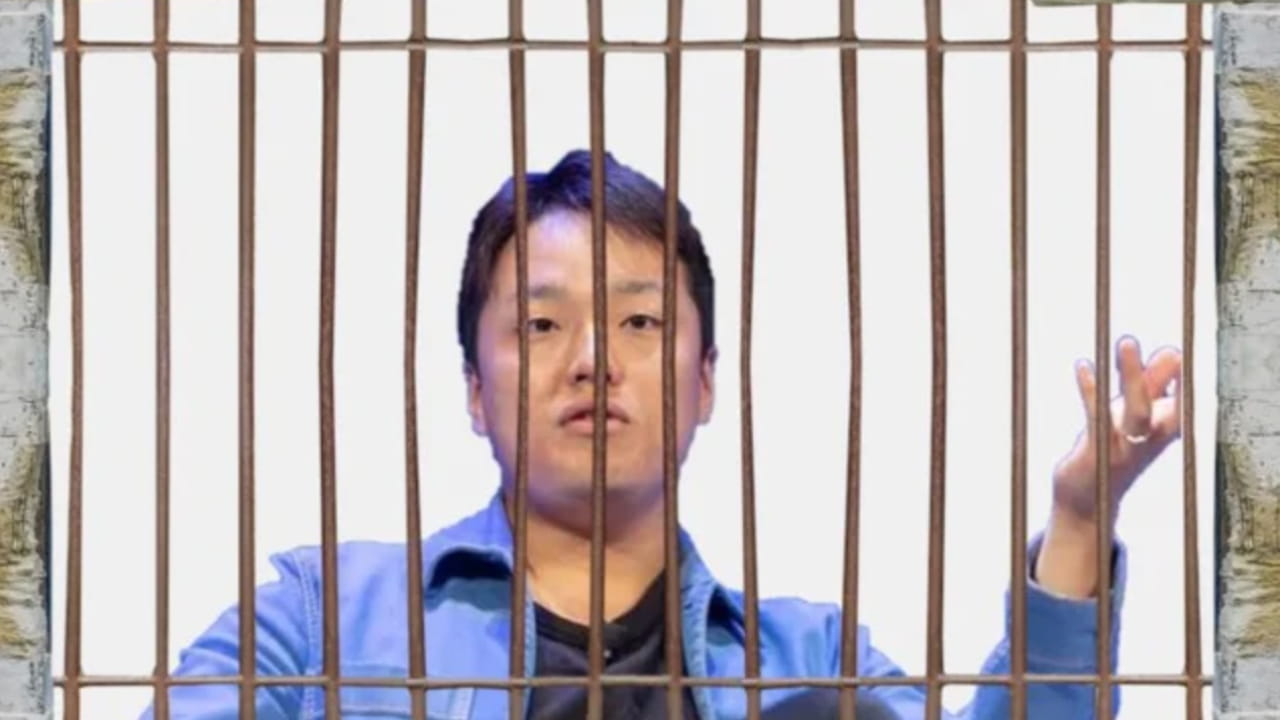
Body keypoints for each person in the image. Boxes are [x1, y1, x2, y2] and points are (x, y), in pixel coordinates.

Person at [142, 149, 1183, 720]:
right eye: (541, 326)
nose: (593, 359)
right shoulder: (319, 627)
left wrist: (1078, 520)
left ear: (704, 383)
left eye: (640, 323)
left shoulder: (810, 665)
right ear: (473, 390)